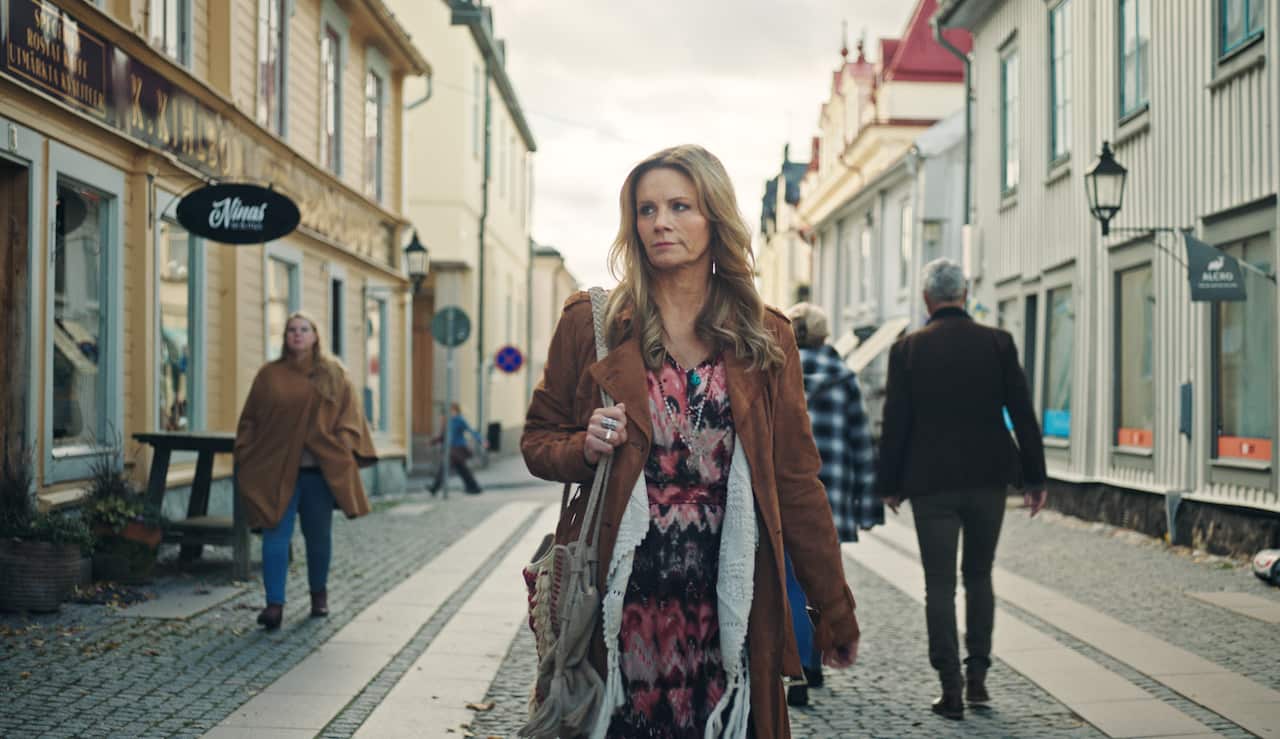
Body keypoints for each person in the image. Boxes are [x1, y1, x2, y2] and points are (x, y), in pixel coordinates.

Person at [523, 144, 860, 739]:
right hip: (620, 595)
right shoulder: (591, 324)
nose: (661, 222)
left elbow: (796, 482)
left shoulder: (766, 336)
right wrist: (584, 447)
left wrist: (832, 606)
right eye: (647, 209)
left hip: (729, 592)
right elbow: (537, 439)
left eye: (680, 206)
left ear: (715, 218)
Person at [876, 258, 1047, 720]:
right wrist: (1035, 478)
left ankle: (949, 687)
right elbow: (1023, 413)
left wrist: (889, 483)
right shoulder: (998, 343)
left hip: (929, 482)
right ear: (965, 295)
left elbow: (895, 422)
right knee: (979, 575)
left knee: (938, 584)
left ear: (926, 299)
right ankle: (978, 678)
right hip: (988, 478)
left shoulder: (907, 350)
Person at [235, 312, 378, 630]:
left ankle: (318, 595)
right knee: (274, 534)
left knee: (318, 538)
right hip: (275, 471)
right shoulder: (269, 376)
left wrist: (338, 444)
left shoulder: (334, 374)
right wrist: (246, 453)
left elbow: (351, 417)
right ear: (285, 337)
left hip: (317, 473)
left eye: (304, 329)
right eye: (291, 330)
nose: (297, 334)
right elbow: (250, 420)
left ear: (315, 336)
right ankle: (274, 605)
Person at [783, 302, 882, 707]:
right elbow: (862, 443)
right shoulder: (844, 377)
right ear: (825, 336)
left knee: (790, 581)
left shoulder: (776, 371)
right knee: (823, 576)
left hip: (787, 495)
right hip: (833, 496)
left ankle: (795, 668)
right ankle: (815, 661)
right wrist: (869, 507)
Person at [429, 403, 487, 495]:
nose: (450, 412)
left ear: (456, 411)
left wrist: (481, 440)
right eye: (449, 410)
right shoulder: (448, 421)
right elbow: (444, 436)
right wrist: (434, 441)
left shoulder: (460, 420)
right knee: (463, 470)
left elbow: (471, 430)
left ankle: (434, 488)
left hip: (458, 449)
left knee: (444, 467)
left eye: (452, 410)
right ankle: (474, 487)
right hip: (451, 450)